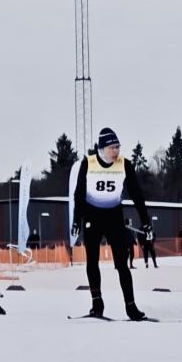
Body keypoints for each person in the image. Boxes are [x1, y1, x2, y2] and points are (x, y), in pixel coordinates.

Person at [72, 127, 151, 320]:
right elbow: (79, 193)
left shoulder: (125, 164)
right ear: (102, 148)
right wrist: (76, 219)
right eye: (113, 147)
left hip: (114, 215)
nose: (116, 151)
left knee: (122, 264)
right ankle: (97, 304)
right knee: (92, 260)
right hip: (92, 214)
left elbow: (137, 195)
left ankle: (131, 307)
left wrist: (146, 221)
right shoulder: (88, 163)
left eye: (118, 147)